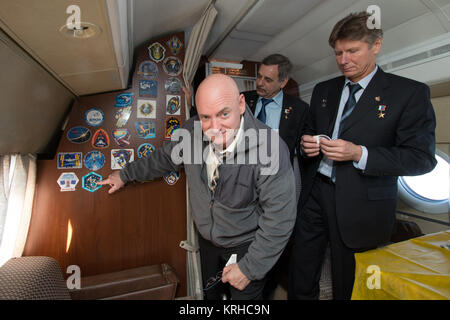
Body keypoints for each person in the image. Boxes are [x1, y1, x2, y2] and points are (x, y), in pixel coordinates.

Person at [99, 74, 297, 300]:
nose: (214, 128)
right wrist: (125, 174)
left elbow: (280, 218)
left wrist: (249, 268)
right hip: (208, 241)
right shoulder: (192, 130)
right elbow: (163, 159)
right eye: (205, 117)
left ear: (241, 104)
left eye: (224, 114)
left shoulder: (269, 147)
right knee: (210, 297)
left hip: (247, 245)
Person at [288, 12, 437, 300]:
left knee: (350, 280)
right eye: (338, 53)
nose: (343, 60)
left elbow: (421, 158)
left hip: (362, 202)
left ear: (376, 45)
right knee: (302, 269)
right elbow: (307, 133)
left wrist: (360, 154)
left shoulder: (409, 93)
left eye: (352, 51)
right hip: (316, 194)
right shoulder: (323, 90)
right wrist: (306, 145)